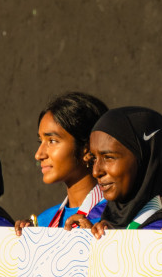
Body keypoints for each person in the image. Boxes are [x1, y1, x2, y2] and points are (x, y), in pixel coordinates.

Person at [70, 106, 162, 235]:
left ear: (145, 160)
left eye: (109, 157)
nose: (95, 172)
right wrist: (86, 241)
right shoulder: (93, 217)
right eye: (94, 158)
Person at [25, 91, 109, 230]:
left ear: (87, 149)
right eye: (41, 141)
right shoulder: (43, 222)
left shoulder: (114, 222)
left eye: (52, 141)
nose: (38, 155)